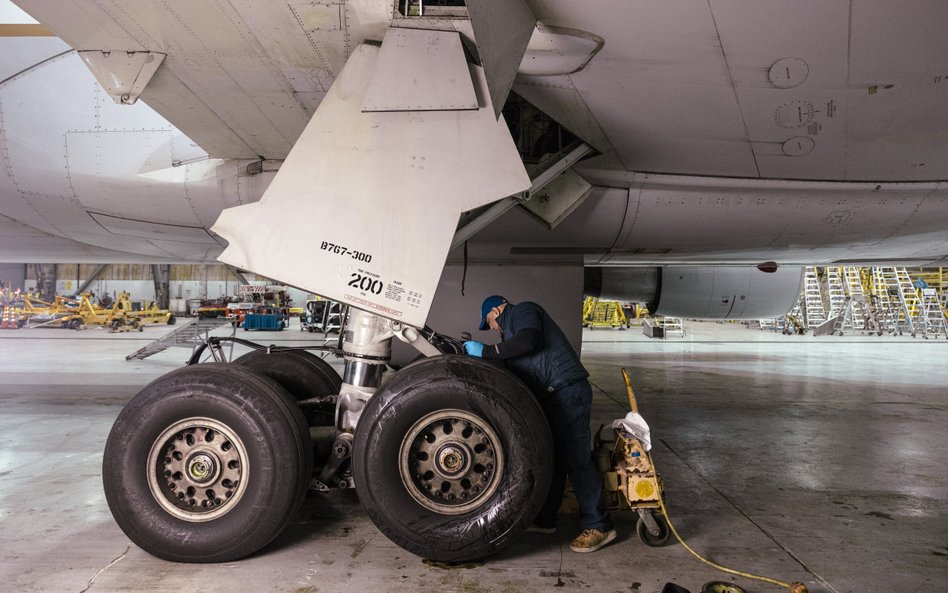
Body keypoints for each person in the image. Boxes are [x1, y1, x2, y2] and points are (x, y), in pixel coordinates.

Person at [463, 295, 616, 553]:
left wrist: (486, 351)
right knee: (554, 460)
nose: (490, 328)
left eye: (488, 322)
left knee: (578, 461)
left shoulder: (524, 311)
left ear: (497, 310)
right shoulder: (508, 339)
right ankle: (546, 520)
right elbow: (509, 365)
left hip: (569, 392)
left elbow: (528, 341)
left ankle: (599, 525)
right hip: (554, 397)